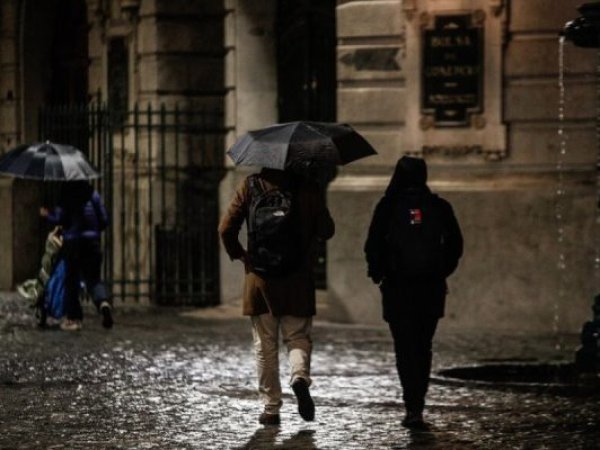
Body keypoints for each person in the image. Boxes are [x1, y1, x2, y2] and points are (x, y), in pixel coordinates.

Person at [219, 168, 335, 426]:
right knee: (297, 337)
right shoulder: (307, 186)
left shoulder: (251, 185)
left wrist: (240, 254)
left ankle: (271, 408)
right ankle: (299, 377)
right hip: (298, 277)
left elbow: (226, 227)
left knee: (265, 345)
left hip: (260, 279)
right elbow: (327, 230)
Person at [364, 156, 463, 429]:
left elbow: (373, 245)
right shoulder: (439, 206)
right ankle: (419, 403)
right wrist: (440, 271)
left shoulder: (388, 206)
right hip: (430, 288)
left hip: (398, 288)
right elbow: (456, 245)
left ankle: (412, 407)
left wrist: (379, 273)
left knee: (404, 347)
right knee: (423, 345)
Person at [40, 180, 113, 331]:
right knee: (94, 279)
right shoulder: (93, 195)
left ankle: (74, 318)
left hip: (73, 243)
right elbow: (104, 220)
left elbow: (60, 218)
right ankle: (103, 303)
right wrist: (93, 230)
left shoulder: (66, 194)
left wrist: (47, 215)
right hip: (92, 243)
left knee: (71, 282)